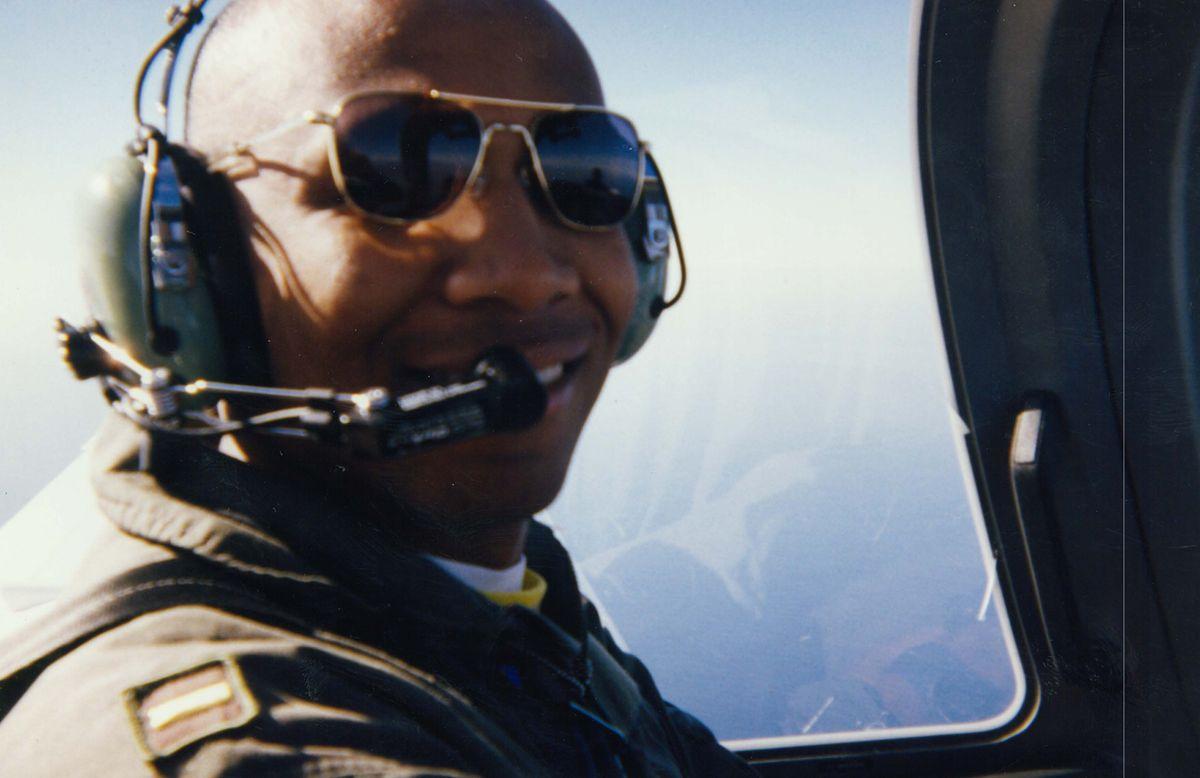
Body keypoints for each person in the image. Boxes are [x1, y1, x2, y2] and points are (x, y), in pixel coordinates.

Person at [0, 0, 755, 775]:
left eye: (581, 170)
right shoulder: (260, 745)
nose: (527, 275)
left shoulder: (497, 616)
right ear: (197, 268)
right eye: (396, 170)